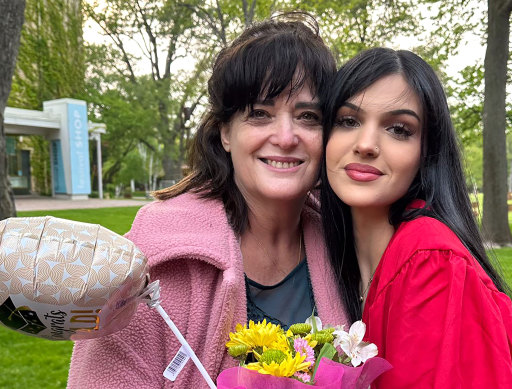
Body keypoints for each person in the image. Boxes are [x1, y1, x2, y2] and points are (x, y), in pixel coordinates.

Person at [67, 14, 349, 388]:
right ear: (225, 134)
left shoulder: (346, 244)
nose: (285, 136)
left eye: (308, 116)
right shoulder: (152, 264)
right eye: (260, 114)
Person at [320, 47, 512, 388]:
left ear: (426, 153)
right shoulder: (331, 259)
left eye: (398, 129)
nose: (366, 144)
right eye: (348, 121)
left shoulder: (431, 264)